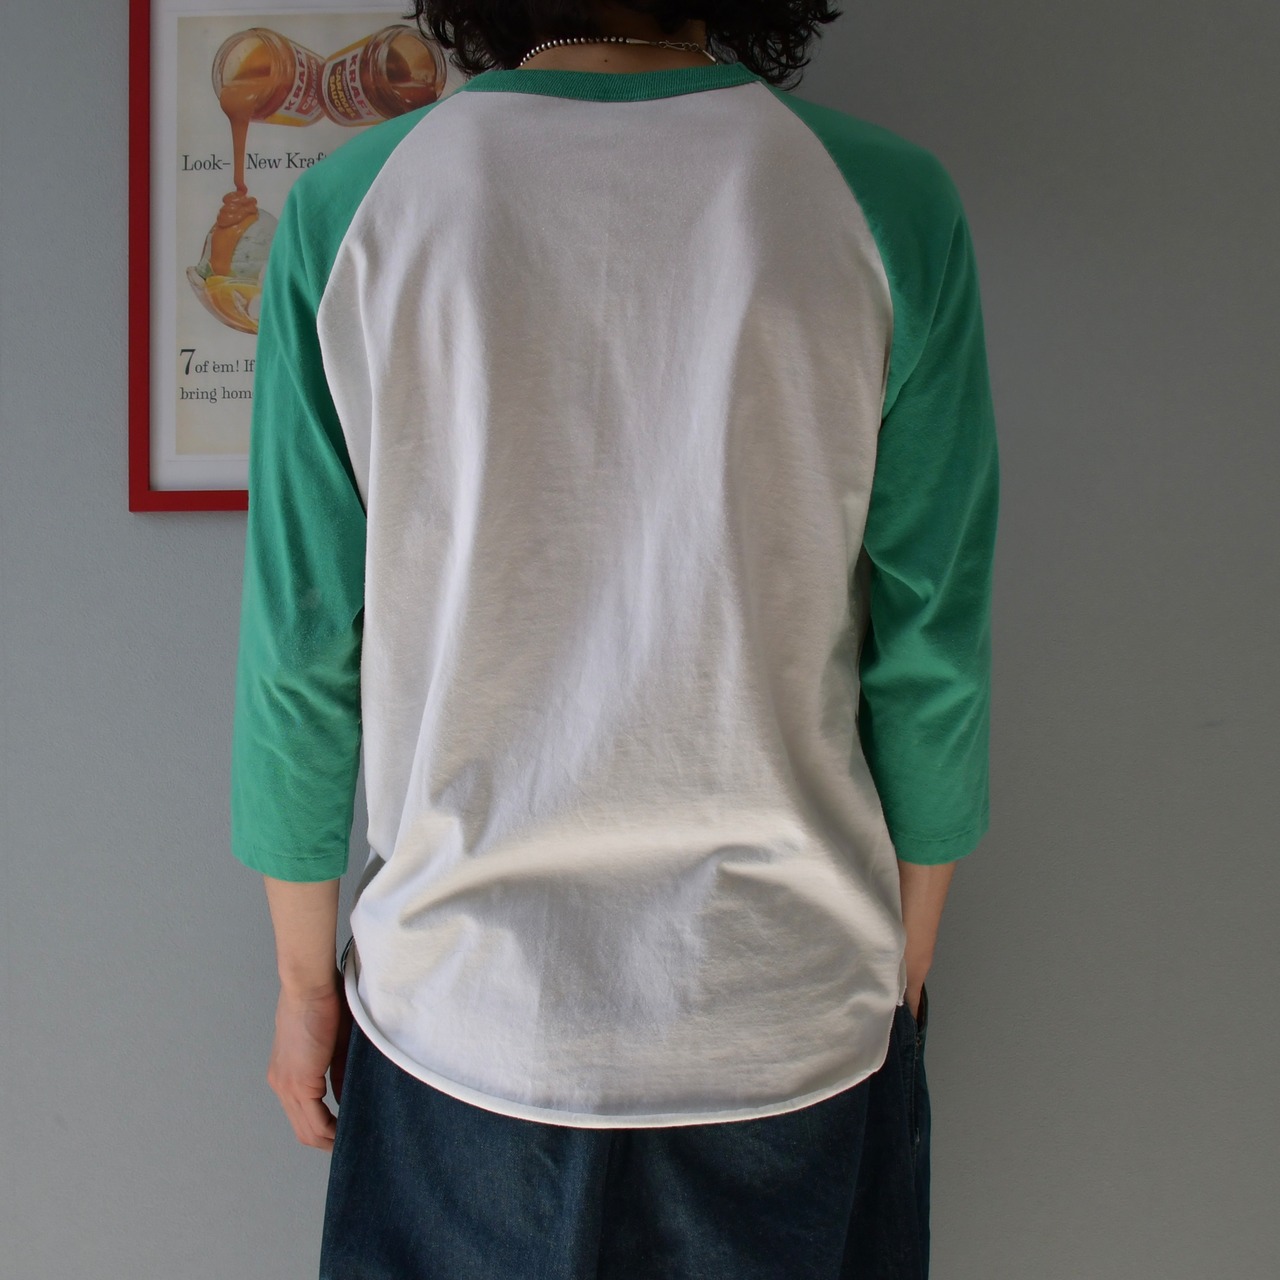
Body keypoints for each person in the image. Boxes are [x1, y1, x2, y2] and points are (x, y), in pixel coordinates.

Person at [229, 1, 999, 1275]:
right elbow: (933, 649)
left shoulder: (352, 207)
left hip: (460, 1016)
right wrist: (903, 964)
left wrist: (306, 984)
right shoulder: (885, 201)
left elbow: (302, 649)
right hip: (786, 1007)